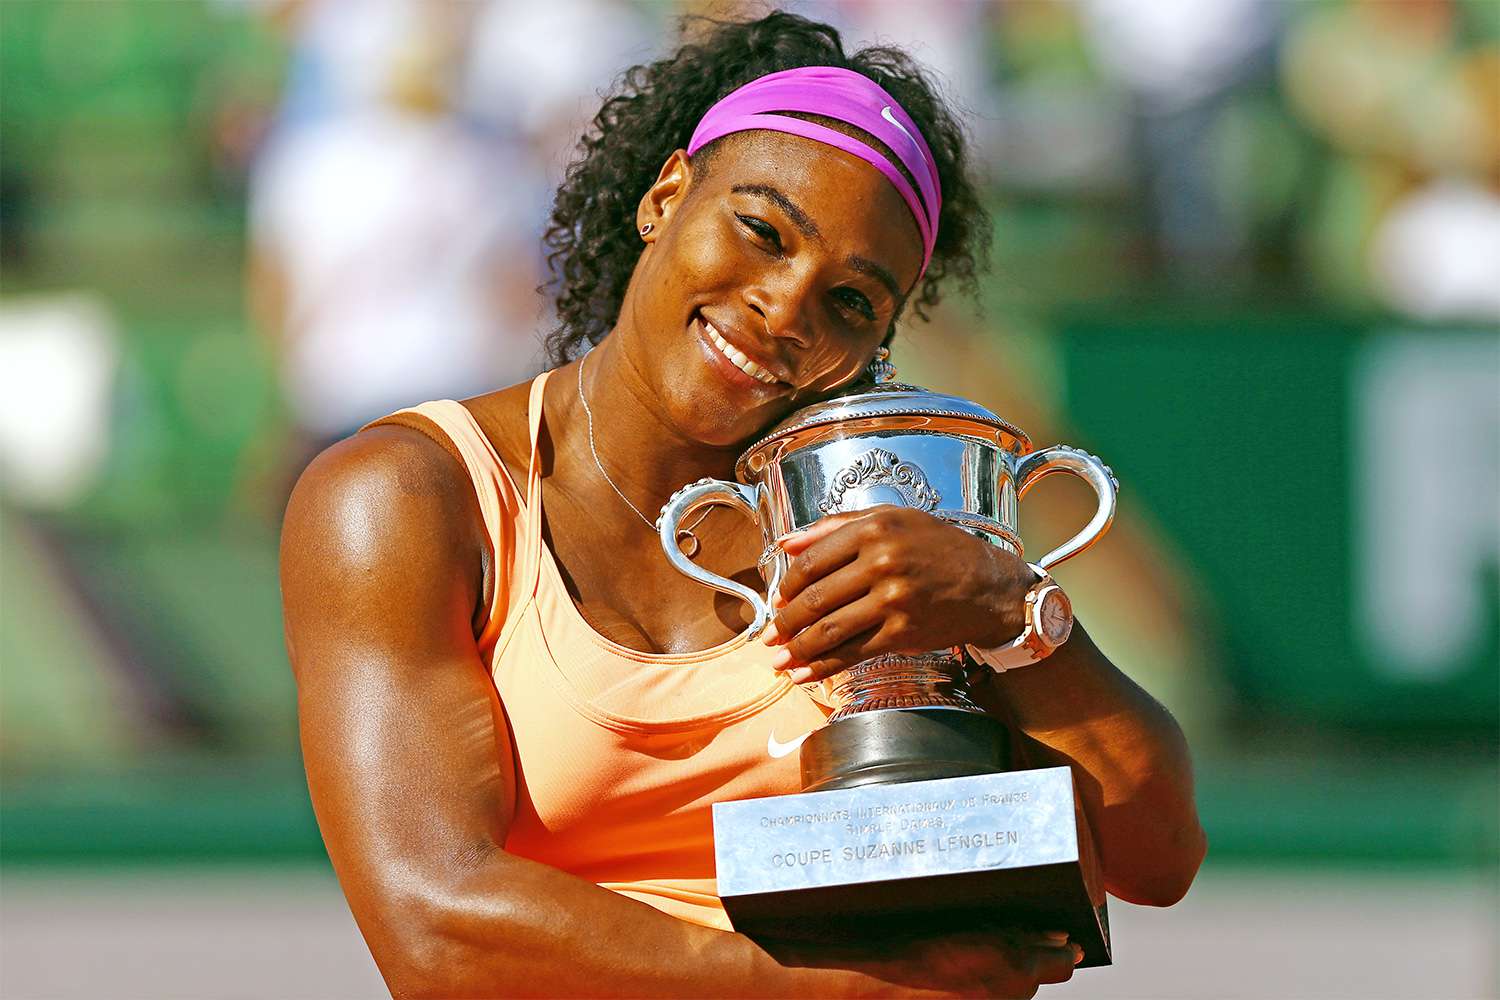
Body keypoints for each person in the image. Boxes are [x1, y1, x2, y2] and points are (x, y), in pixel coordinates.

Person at [279, 12, 1206, 998]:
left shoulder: (886, 531)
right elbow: (434, 928)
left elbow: (1157, 858)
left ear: (880, 342)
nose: (785, 306)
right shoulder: (407, 499)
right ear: (667, 195)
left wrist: (1011, 611)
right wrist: (870, 990)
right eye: (762, 232)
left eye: (850, 301)